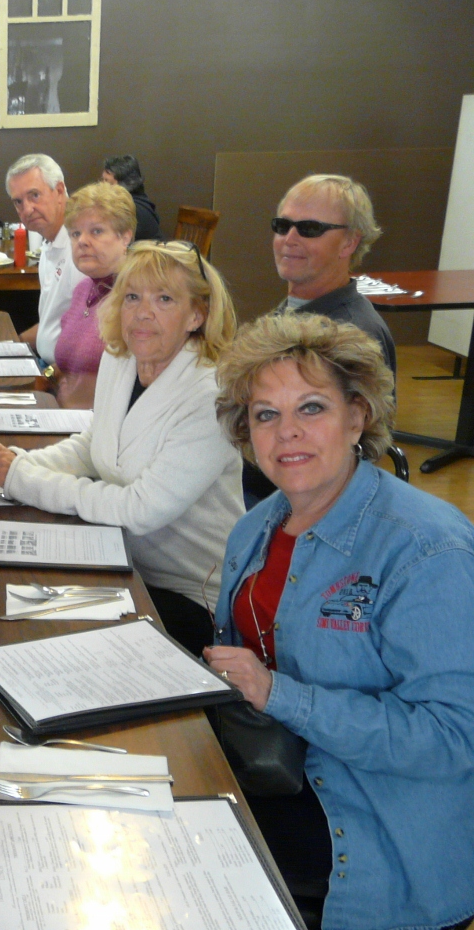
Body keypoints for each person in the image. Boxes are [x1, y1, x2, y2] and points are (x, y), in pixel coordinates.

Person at [205, 313, 474, 930]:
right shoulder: (256, 526)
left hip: (375, 828)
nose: (286, 433)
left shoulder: (427, 550)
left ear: (358, 417)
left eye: (312, 408)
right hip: (276, 770)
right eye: (265, 414)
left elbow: (455, 739)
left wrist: (281, 695)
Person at [0, 241, 243, 653]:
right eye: (133, 296)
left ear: (197, 315)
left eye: (164, 299)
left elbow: (138, 509)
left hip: (188, 595)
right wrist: (21, 463)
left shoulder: (210, 396)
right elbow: (93, 444)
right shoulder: (122, 360)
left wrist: (26, 480)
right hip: (116, 556)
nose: (143, 311)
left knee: (52, 644)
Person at [271, 173, 395, 375]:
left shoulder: (353, 338)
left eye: (310, 228)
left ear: (349, 242)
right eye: (282, 226)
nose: (289, 239)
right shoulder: (290, 312)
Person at [49, 181, 137, 407]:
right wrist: (48, 377)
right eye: (75, 233)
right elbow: (69, 364)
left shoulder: (136, 298)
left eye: (96, 231)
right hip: (66, 420)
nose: (82, 242)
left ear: (125, 237)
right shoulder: (82, 290)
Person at [5, 153, 87, 364]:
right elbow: (53, 324)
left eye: (34, 195)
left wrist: (48, 377)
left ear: (59, 191)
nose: (27, 209)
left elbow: (87, 339)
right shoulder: (49, 242)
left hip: (64, 374)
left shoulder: (82, 248)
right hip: (44, 362)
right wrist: (11, 346)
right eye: (18, 202)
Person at [102, 154, 161, 241]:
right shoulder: (138, 201)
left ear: (125, 184)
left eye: (107, 183)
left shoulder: (133, 209)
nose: (101, 187)